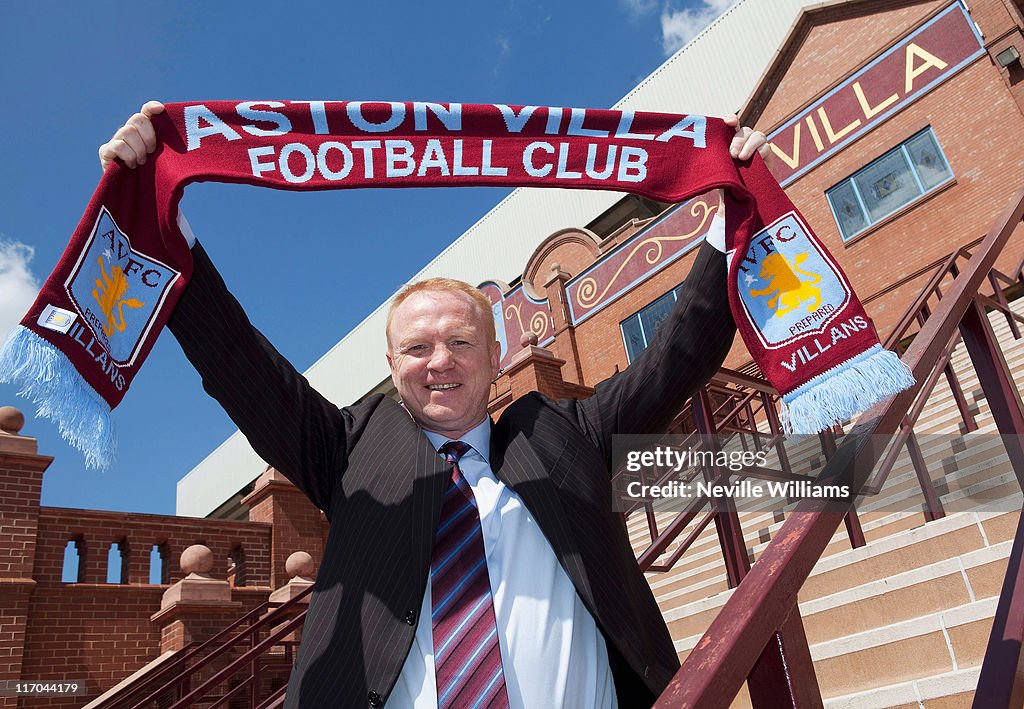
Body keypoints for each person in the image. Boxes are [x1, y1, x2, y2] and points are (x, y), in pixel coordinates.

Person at [100, 102, 767, 709]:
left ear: (499, 353)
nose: (440, 360)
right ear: (392, 369)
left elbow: (684, 348)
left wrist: (730, 203)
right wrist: (160, 210)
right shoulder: (348, 451)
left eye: (460, 340)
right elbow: (237, 363)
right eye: (417, 347)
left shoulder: (568, 433)